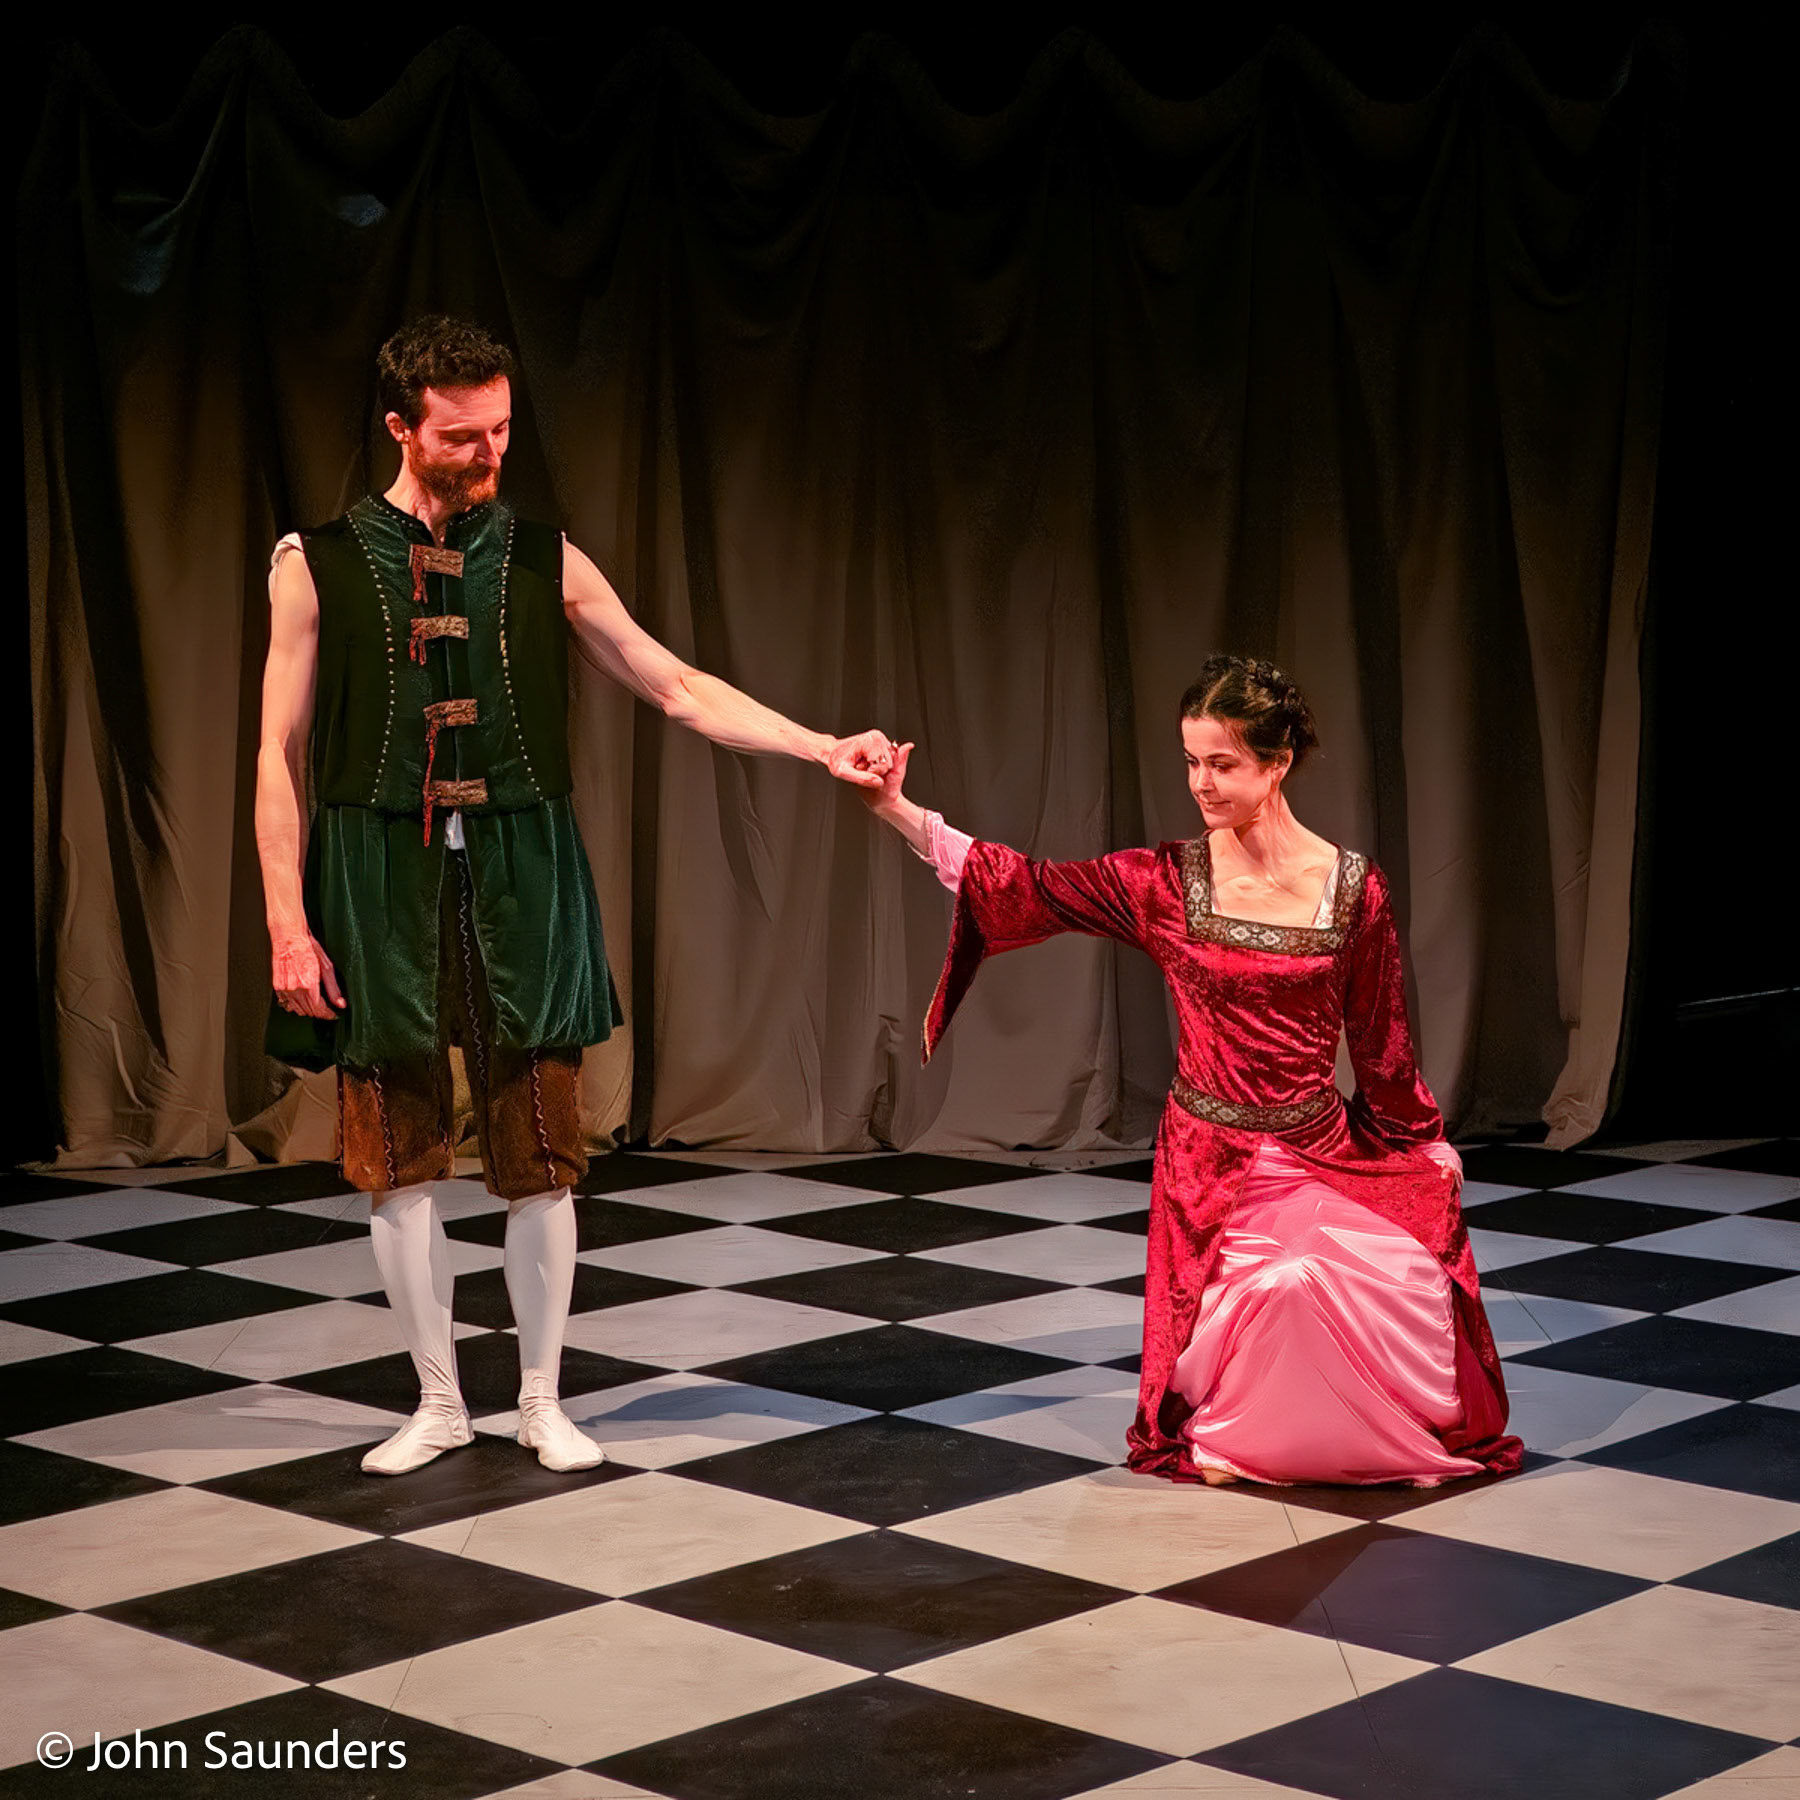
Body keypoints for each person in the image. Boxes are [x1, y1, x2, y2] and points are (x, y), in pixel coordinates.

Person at [256, 317, 893, 1477]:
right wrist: (287, 926)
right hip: (374, 872)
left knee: (542, 1143)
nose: (491, 452)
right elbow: (274, 755)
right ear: (401, 427)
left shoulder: (545, 557)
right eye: (464, 436)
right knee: (393, 1151)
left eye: (502, 429)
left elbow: (677, 686)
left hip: (525, 871)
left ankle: (542, 1400)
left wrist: (819, 746)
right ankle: (439, 1403)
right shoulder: (319, 563)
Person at [863, 655, 1521, 1486]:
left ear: (1277, 763)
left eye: (1222, 763)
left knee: (1374, 1268)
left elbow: (1382, 1042)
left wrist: (1422, 1144)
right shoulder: (1167, 882)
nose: (1201, 784)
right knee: (1284, 1286)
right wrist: (896, 809)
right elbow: (1027, 887)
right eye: (1191, 761)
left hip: (1321, 1151)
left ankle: (1344, 1437)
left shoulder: (1354, 890)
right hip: (1213, 1169)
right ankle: (1253, 1438)